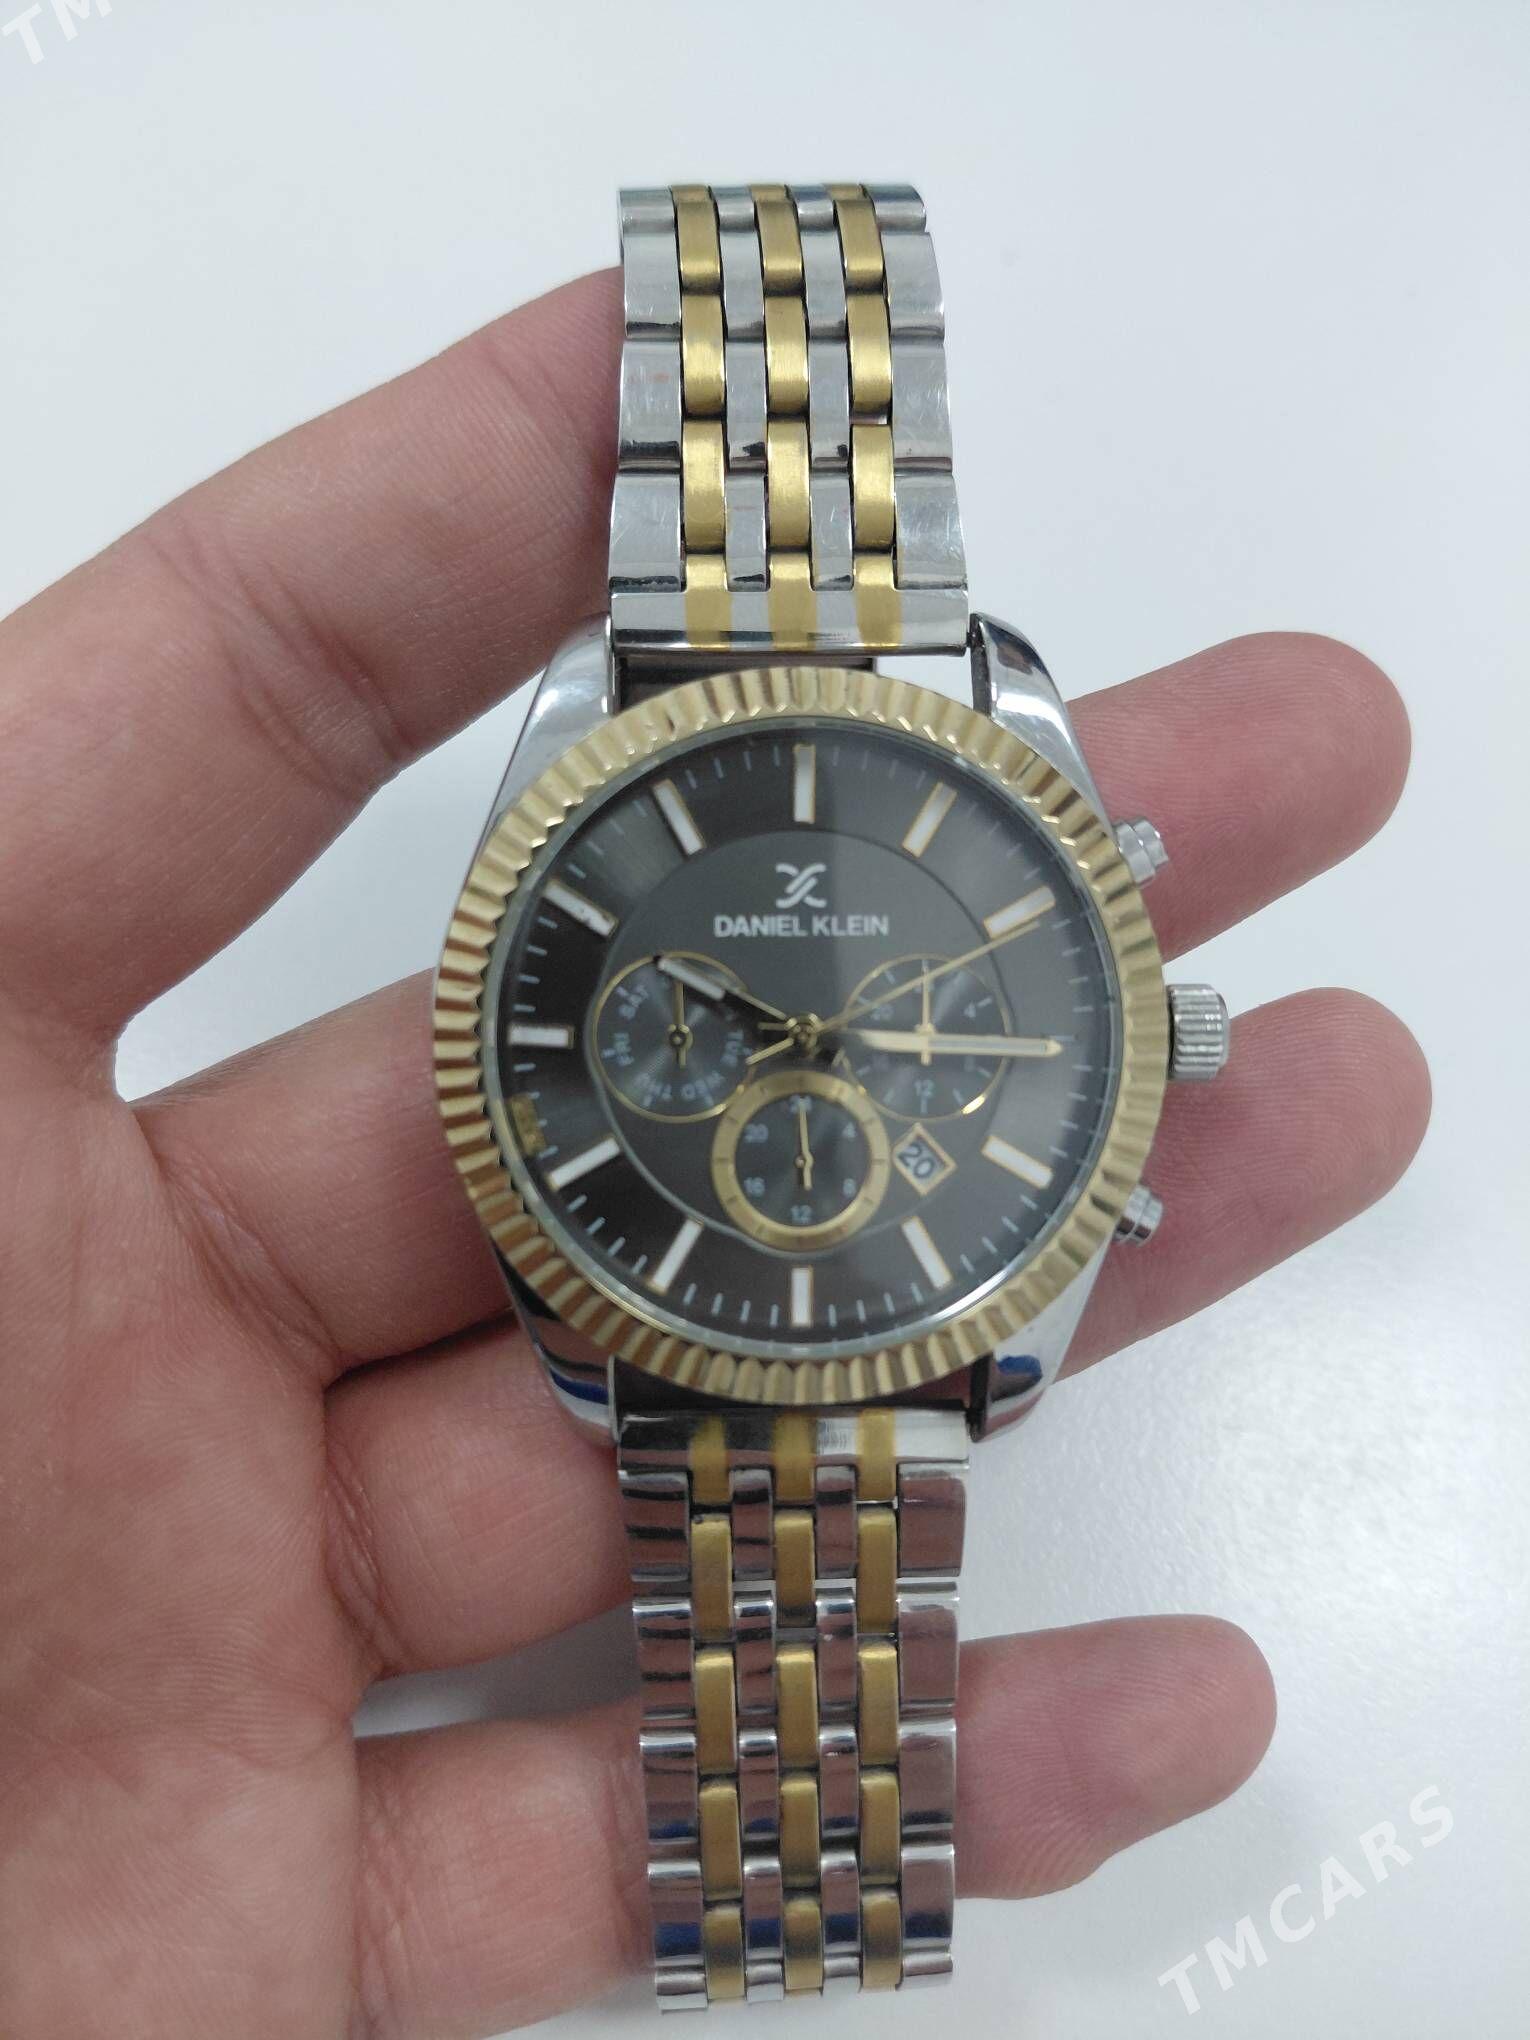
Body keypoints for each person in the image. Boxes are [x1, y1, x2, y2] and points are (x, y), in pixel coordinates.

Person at [0, 270, 1430, 2038]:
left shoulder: (719, 722)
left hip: (790, 1295)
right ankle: (797, 1913)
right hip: (703, 1296)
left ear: (1146, 1035)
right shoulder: (674, 737)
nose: (812, 1036)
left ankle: (794, 1909)